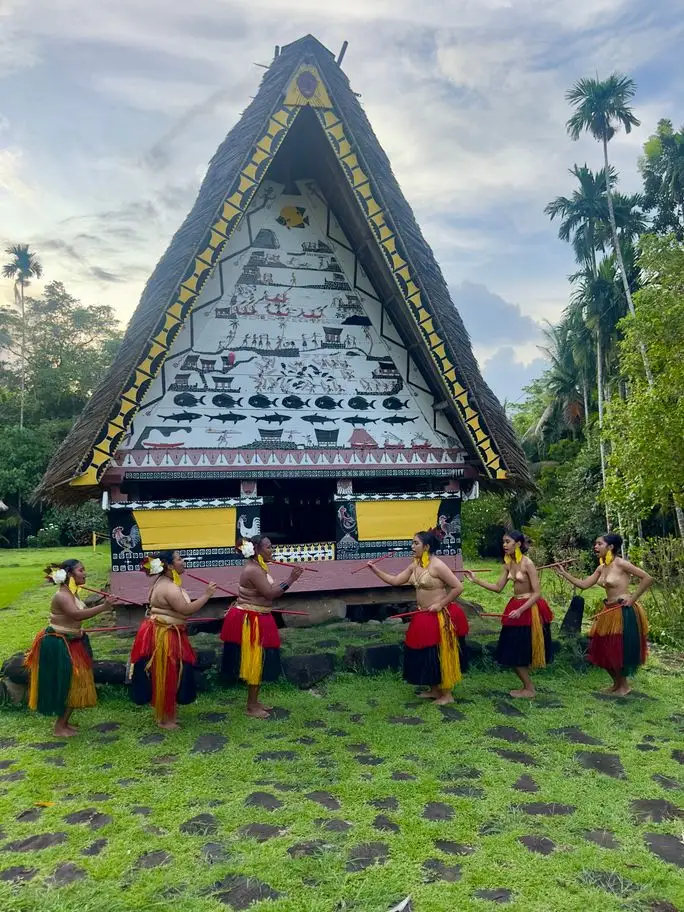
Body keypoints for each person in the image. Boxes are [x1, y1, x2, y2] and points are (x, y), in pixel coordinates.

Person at [367, 530, 468, 705]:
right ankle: (434, 690)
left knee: (440, 652)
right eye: (412, 543)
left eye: (415, 543)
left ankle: (447, 694)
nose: (412, 546)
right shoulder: (415, 564)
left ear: (427, 546)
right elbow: (396, 581)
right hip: (423, 614)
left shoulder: (437, 565)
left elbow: (458, 587)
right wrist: (375, 570)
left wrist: (441, 604)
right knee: (425, 652)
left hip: (439, 615)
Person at [555, 533, 652, 696]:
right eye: (596, 544)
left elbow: (648, 578)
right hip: (608, 611)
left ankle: (624, 686)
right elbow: (584, 584)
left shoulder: (621, 563)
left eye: (599, 544)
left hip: (623, 611)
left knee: (618, 649)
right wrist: (565, 574)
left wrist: (632, 599)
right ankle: (616, 685)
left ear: (610, 547)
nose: (596, 546)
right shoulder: (601, 567)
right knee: (602, 649)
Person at [24, 560, 112, 737]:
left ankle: (64, 723)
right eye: (81, 570)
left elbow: (75, 618)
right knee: (68, 683)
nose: (85, 573)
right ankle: (59, 727)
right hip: (58, 644)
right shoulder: (62, 596)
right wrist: (104, 607)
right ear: (70, 574)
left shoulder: (73, 593)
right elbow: (76, 614)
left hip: (71, 641)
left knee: (75, 682)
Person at [129, 550, 216, 729]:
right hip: (164, 635)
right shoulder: (168, 587)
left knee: (171, 671)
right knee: (167, 673)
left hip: (165, 631)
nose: (183, 561)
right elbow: (186, 609)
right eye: (179, 559)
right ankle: (165, 718)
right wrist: (207, 595)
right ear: (169, 565)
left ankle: (166, 714)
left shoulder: (163, 582)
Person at [219, 535, 303, 718]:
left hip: (258, 616)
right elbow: (270, 593)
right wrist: (291, 579)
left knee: (259, 659)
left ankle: (255, 701)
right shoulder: (253, 570)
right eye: (268, 547)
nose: (272, 550)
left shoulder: (260, 567)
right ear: (256, 550)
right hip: (250, 619)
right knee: (254, 660)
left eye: (272, 547)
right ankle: (251, 706)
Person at [465, 530, 553, 698]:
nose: (504, 545)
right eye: (503, 541)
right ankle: (527, 686)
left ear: (518, 544)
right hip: (515, 606)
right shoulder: (507, 564)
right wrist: (476, 580)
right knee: (511, 649)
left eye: (507, 541)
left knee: (519, 649)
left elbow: (537, 593)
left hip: (530, 609)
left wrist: (521, 610)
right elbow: (498, 588)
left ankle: (529, 688)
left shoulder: (528, 563)